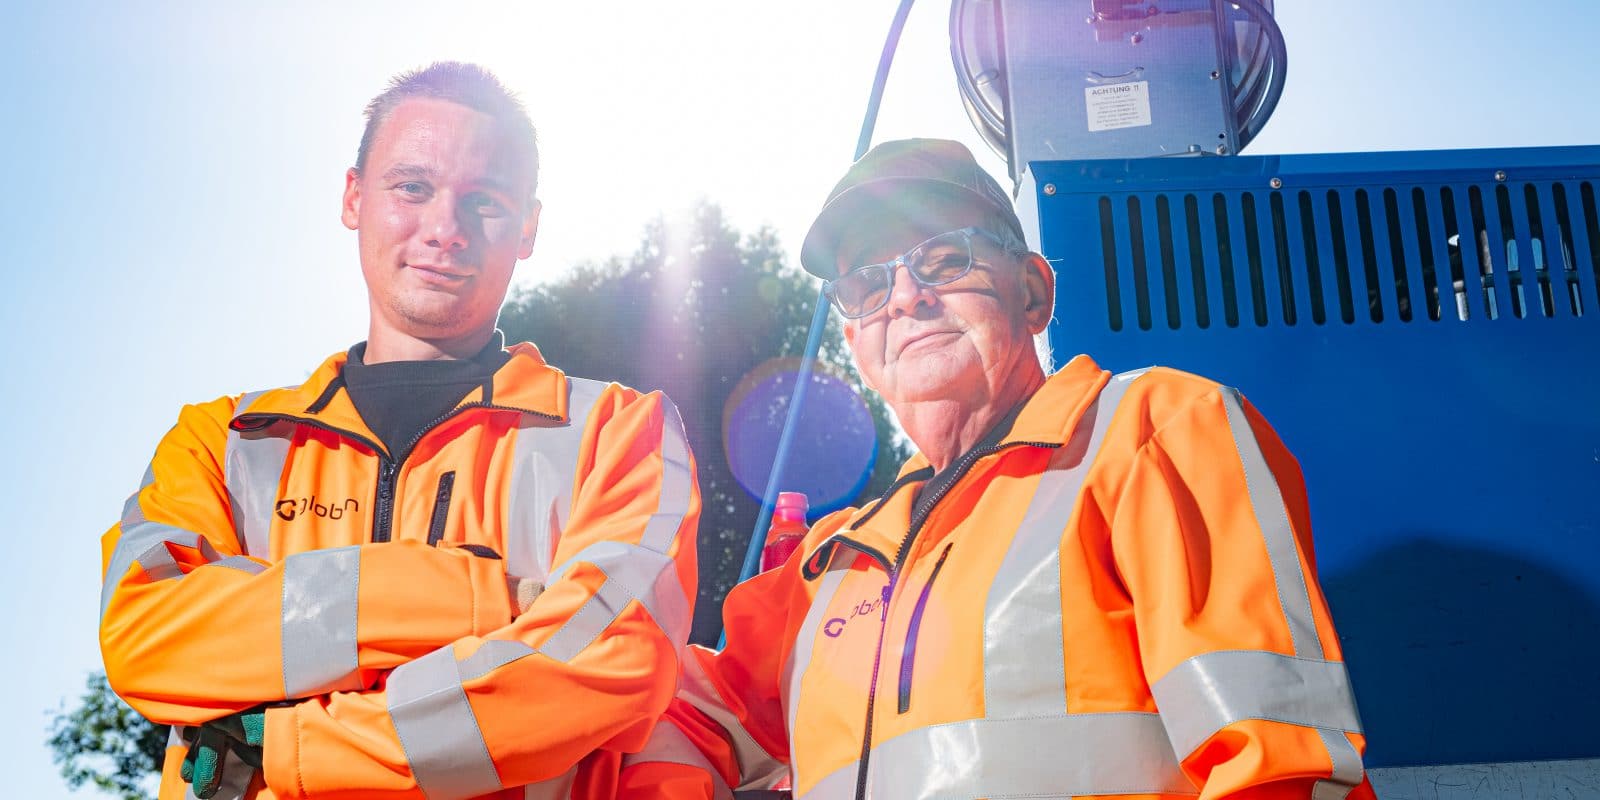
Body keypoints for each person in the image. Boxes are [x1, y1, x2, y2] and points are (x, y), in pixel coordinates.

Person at [623, 139, 1374, 799]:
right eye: (867, 285)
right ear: (855, 341)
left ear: (1034, 292)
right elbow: (655, 722)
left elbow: (1281, 767)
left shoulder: (1155, 431)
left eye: (944, 259)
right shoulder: (826, 567)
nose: (907, 296)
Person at [98, 62, 702, 800]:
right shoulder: (223, 440)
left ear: (529, 228)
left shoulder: (619, 431)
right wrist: (473, 599)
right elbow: (146, 634)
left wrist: (285, 747)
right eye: (412, 187)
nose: (443, 229)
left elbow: (610, 664)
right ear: (354, 197)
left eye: (484, 201)